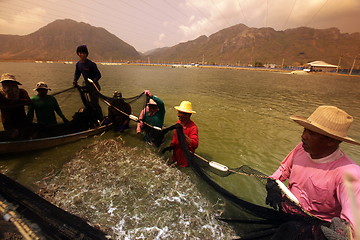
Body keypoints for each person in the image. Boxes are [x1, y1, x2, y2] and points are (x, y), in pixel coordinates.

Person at [266, 106, 360, 239]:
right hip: (286, 216)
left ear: (331, 141)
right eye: (305, 130)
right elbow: (282, 171)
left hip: (314, 231)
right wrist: (273, 183)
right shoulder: (301, 149)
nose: (303, 136)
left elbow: (352, 227)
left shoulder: (349, 174)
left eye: (312, 133)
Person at [163, 101, 199, 167]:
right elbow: (175, 137)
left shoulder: (193, 127)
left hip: (184, 159)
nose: (178, 115)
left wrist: (182, 133)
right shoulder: (179, 122)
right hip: (176, 154)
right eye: (178, 112)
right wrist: (171, 146)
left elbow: (195, 144)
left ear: (188, 115)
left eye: (180, 113)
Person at [73, 45, 103, 120]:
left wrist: (94, 82)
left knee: (95, 103)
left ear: (86, 54)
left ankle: (100, 118)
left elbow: (98, 75)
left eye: (82, 53)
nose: (80, 54)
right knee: (89, 103)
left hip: (94, 86)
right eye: (79, 53)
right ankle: (92, 117)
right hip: (87, 86)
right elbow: (77, 73)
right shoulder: (78, 64)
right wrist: (75, 80)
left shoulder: (91, 64)